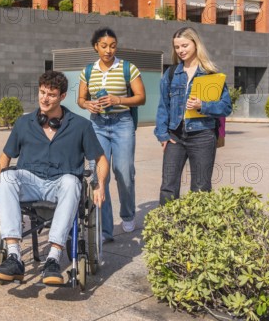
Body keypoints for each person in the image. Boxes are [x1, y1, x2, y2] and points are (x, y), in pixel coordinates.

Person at [0, 70, 109, 285]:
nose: (45, 98)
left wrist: (99, 185)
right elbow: (4, 157)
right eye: (42, 92)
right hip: (30, 182)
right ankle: (14, 256)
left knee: (72, 181)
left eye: (51, 95)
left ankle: (53, 259)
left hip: (61, 185)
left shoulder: (81, 126)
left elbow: (100, 160)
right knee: (7, 178)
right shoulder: (24, 123)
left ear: (62, 96)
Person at [77, 27, 145, 243]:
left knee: (123, 171)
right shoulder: (88, 70)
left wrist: (118, 100)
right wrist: (87, 104)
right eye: (104, 46)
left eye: (113, 46)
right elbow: (80, 98)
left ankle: (127, 214)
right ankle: (105, 229)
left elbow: (141, 97)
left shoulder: (128, 68)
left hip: (122, 124)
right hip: (97, 125)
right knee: (99, 176)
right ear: (96, 46)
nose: (108, 50)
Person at [154, 27, 231, 205]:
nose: (181, 50)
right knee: (168, 186)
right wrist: (162, 134)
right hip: (175, 136)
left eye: (184, 45)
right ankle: (167, 229)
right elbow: (163, 105)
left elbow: (226, 107)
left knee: (201, 187)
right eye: (177, 47)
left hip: (203, 135)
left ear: (196, 44)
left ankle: (197, 231)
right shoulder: (172, 73)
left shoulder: (211, 74)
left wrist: (202, 106)